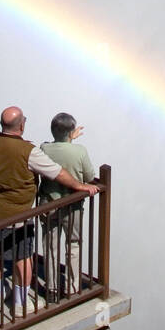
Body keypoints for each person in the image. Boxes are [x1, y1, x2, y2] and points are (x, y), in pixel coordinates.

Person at [0, 106, 98, 316]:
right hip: (17, 218)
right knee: (23, 258)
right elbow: (57, 173)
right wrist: (79, 186)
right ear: (21, 125)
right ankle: (20, 304)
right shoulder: (29, 152)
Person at [38, 112, 97, 302]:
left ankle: (52, 290)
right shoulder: (80, 151)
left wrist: (67, 137)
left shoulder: (44, 149)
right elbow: (89, 177)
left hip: (48, 203)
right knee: (73, 244)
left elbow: (56, 149)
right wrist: (71, 140)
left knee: (50, 245)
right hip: (72, 205)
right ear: (71, 132)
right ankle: (72, 288)